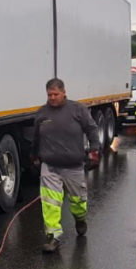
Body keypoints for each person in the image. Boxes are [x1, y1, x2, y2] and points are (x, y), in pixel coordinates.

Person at [32, 78, 101, 253]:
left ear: (63, 92)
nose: (52, 98)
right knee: (50, 203)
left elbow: (92, 129)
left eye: (55, 94)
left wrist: (94, 150)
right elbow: (36, 138)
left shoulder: (77, 110)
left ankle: (80, 219)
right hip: (50, 165)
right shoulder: (42, 113)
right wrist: (34, 155)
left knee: (78, 201)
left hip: (73, 165)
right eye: (49, 95)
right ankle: (53, 236)